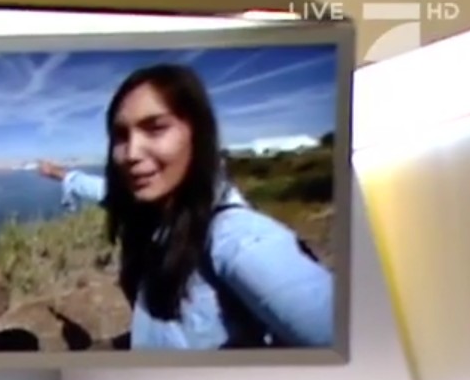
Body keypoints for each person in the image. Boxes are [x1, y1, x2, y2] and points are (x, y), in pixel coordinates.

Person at [37, 63, 336, 350]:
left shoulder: (239, 240)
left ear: (198, 134)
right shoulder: (152, 208)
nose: (131, 153)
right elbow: (107, 192)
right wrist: (63, 175)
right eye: (121, 135)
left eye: (155, 128)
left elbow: (347, 344)